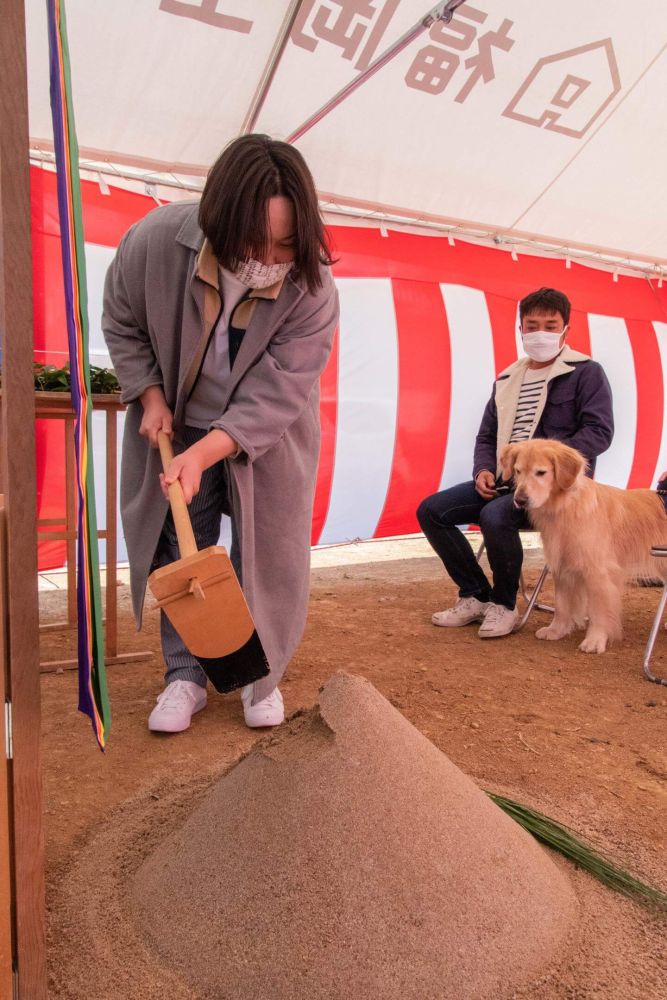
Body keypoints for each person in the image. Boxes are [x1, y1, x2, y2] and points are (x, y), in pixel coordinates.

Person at [103, 134, 339, 733]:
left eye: (286, 243)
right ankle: (185, 676)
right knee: (183, 549)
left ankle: (259, 679)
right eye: (254, 241)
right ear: (219, 218)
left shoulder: (311, 287)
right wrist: (150, 395)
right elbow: (122, 318)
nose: (269, 257)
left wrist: (211, 450)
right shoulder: (155, 241)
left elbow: (282, 386)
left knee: (266, 555)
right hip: (180, 423)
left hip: (268, 438)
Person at [416, 287, 614, 639]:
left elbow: (599, 432)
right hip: (509, 480)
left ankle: (504, 605)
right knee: (432, 511)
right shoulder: (506, 379)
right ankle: (476, 595)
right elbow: (486, 437)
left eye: (550, 325)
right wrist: (483, 470)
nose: (541, 333)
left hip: (556, 491)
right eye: (532, 325)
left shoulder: (586, 372)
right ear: (521, 329)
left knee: (495, 516)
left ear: (566, 329)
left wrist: (549, 459)